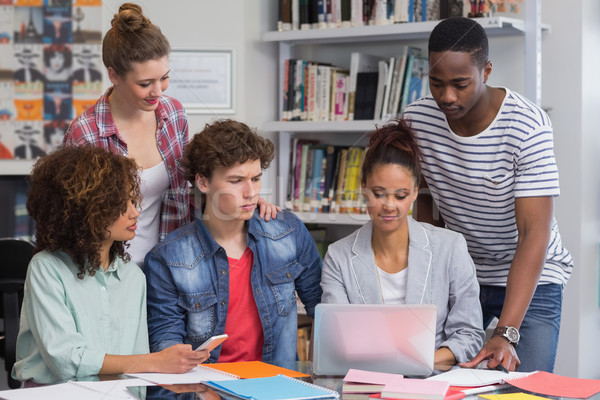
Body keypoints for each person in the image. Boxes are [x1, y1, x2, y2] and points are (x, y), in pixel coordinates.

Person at [403, 17, 573, 373]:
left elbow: (533, 235)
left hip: (533, 277)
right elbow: (424, 203)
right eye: (436, 83)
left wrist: (506, 332)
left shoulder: (528, 126)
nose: (447, 96)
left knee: (524, 392)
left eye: (460, 84)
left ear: (487, 71)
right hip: (462, 274)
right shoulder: (417, 120)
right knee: (434, 381)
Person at [64, 3, 277, 267]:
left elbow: (192, 186)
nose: (158, 91)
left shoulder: (173, 114)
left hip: (171, 265)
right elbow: (72, 220)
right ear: (114, 76)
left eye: (164, 78)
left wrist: (244, 199)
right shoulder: (85, 134)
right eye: (145, 84)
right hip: (109, 271)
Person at [12, 146, 208, 386]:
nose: (135, 212)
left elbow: (135, 378)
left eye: (133, 200)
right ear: (84, 210)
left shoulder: (133, 277)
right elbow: (66, 361)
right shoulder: (46, 269)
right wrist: (154, 361)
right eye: (119, 204)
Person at [145, 119, 323, 365]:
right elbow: (167, 348)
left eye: (256, 178)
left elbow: (323, 311)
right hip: (207, 391)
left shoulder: (288, 232)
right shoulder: (168, 258)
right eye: (236, 181)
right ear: (203, 182)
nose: (251, 192)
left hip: (278, 388)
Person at [320, 119, 484, 367]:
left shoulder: (450, 248)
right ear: (363, 187)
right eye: (378, 193)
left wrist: (417, 362)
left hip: (432, 380)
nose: (389, 205)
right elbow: (339, 339)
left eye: (401, 195)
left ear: (416, 191)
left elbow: (469, 335)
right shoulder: (338, 256)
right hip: (367, 379)